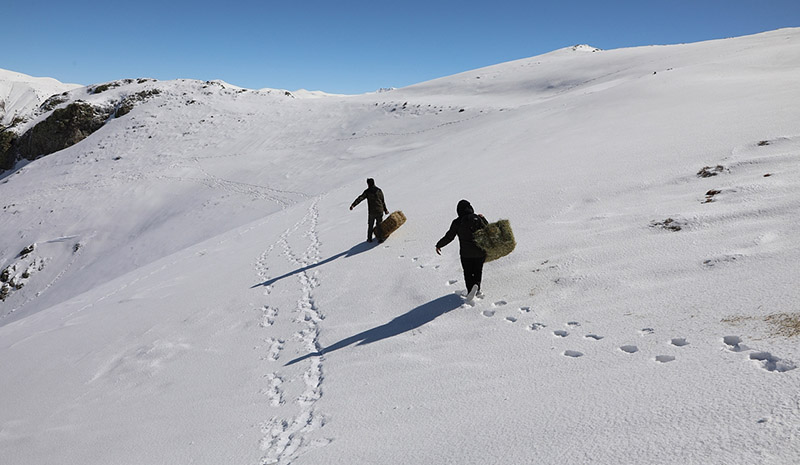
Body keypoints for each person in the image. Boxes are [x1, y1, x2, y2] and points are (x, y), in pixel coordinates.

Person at [436, 199, 489, 298]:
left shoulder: (457, 222)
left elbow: (449, 237)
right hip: (480, 252)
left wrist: (439, 245)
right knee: (478, 270)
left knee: (468, 272)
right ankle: (477, 286)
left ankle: (470, 291)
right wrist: (483, 219)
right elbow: (489, 230)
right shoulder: (477, 218)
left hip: (466, 254)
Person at [350, 178, 390, 242]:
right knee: (379, 225)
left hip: (372, 212)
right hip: (380, 210)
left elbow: (360, 198)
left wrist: (353, 205)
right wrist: (385, 210)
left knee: (370, 225)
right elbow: (382, 201)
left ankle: (369, 239)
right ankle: (380, 238)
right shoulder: (379, 190)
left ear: (368, 184)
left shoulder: (367, 192)